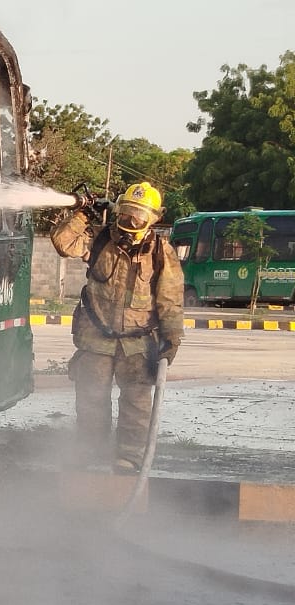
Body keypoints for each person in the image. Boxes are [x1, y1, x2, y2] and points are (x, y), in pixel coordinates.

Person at [51, 182, 184, 473]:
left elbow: (171, 300)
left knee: (136, 404)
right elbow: (62, 242)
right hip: (96, 340)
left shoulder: (161, 252)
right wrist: (83, 213)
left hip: (137, 344)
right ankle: (89, 452)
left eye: (138, 218)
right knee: (90, 399)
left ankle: (129, 458)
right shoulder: (99, 240)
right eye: (126, 215)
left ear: (154, 219)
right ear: (118, 211)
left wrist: (171, 340)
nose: (130, 223)